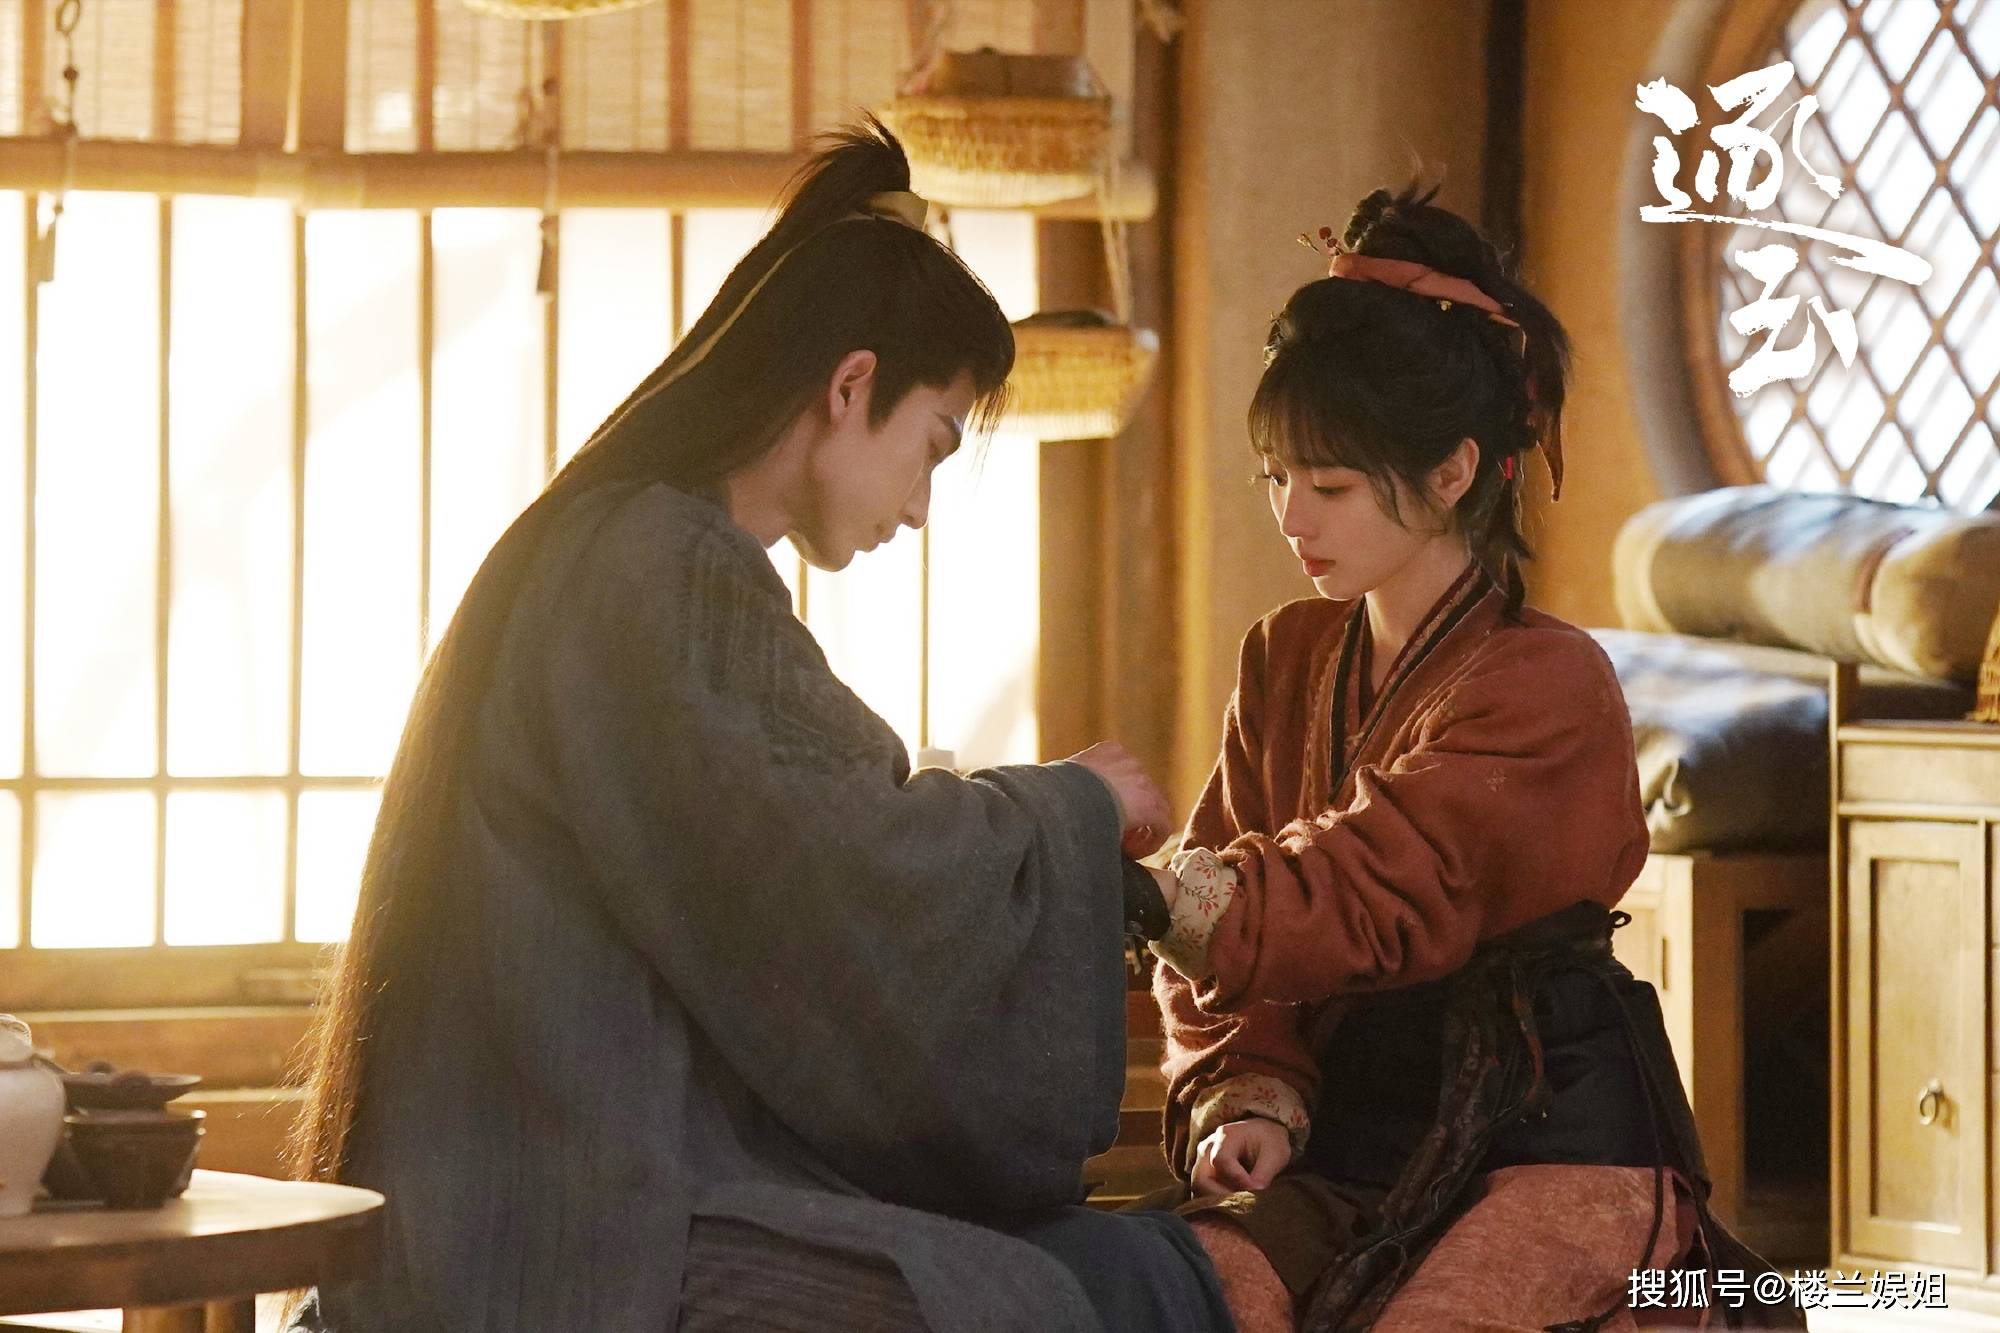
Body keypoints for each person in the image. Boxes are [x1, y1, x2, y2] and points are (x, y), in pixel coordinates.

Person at [283, 120, 1230, 1332]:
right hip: (563, 1214)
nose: (920, 507)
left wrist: (1037, 816)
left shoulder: (632, 547)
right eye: (931, 447)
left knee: (1115, 1263)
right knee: (1035, 1298)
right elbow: (838, 867)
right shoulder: (661, 563)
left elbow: (813, 835)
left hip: (539, 1181)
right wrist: (1072, 804)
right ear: (850, 385)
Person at [1144, 184, 1802, 1332]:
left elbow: (1358, 887)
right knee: (1194, 1294)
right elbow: (1230, 927)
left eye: (1329, 485)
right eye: (1274, 477)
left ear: (1452, 471)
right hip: (1348, 1129)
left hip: (1551, 1129)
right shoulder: (1282, 657)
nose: (1291, 517)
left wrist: (1147, 893)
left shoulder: (1547, 681)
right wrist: (1249, 1090)